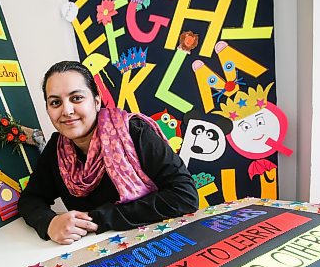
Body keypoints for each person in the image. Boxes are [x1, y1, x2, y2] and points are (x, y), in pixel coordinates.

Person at [18, 61, 199, 245]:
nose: (67, 110)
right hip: (96, 253)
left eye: (77, 98)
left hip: (158, 242)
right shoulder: (57, 149)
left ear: (96, 101)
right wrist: (50, 223)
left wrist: (99, 219)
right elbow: (30, 199)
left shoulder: (134, 133)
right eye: (55, 102)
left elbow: (184, 196)